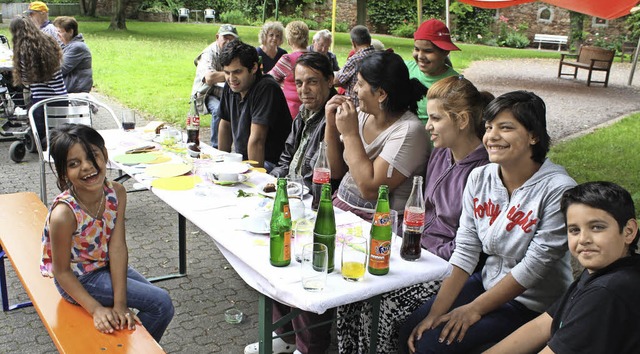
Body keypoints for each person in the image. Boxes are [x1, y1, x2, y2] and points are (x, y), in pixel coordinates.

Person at [399, 91, 577, 354]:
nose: (492, 136)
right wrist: (435, 313)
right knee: (412, 328)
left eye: (506, 128)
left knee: (432, 346)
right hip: (487, 281)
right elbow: (466, 249)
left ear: (533, 136)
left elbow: (534, 267)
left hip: (532, 303)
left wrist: (472, 310)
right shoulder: (480, 177)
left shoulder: (558, 190)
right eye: (489, 127)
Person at [336, 75, 494, 353]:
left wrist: (421, 250)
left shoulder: (483, 173)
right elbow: (421, 211)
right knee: (353, 290)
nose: (428, 126)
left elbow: (471, 246)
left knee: (384, 306)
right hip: (415, 250)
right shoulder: (441, 154)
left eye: (435, 119)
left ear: (462, 120)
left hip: (445, 266)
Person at [40, 124, 174, 343]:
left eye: (93, 156)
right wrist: (96, 310)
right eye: (74, 164)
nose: (86, 167)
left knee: (156, 302)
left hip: (105, 265)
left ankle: (127, 345)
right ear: (64, 172)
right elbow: (61, 271)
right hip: (79, 279)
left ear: (105, 154)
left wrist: (121, 304)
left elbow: (118, 247)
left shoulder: (116, 193)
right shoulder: (64, 214)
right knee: (161, 303)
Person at [485, 181, 640, 354]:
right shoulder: (605, 270)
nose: (583, 239)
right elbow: (541, 326)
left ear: (629, 232)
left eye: (597, 227)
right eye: (574, 230)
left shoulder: (607, 291)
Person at [325, 51, 429, 221]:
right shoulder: (360, 115)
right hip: (342, 207)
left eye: (360, 83)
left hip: (378, 224)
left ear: (381, 94)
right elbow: (334, 171)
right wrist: (330, 124)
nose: (355, 89)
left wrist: (350, 134)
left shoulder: (410, 131)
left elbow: (370, 189)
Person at [217, 40, 292, 172]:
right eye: (227, 73)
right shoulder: (231, 86)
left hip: (272, 163)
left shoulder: (267, 88)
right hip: (243, 160)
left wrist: (254, 180)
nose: (231, 78)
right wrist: (220, 163)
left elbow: (257, 140)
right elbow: (225, 124)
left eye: (237, 72)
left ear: (254, 68)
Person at [270, 52, 338, 189]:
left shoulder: (337, 116)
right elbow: (285, 160)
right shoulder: (303, 112)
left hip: (310, 197)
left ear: (330, 81)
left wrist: (291, 191)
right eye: (299, 83)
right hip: (291, 189)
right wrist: (272, 181)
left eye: (312, 82)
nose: (304, 90)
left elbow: (326, 177)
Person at [10, 16, 67, 140]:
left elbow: (25, 79)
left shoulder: (22, 50)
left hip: (40, 101)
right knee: (60, 132)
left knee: (41, 135)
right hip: (61, 96)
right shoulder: (49, 40)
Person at [192, 23, 239, 148]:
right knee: (219, 110)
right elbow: (209, 78)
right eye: (225, 38)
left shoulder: (234, 53)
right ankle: (216, 147)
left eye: (231, 38)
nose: (228, 41)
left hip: (225, 92)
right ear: (217, 37)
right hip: (205, 94)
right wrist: (235, 74)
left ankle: (235, 146)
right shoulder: (209, 53)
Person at [407, 19, 460, 124]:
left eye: (428, 51)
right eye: (417, 49)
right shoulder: (405, 68)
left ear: (445, 52)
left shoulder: (455, 84)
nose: (420, 56)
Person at [268, 21, 309, 120]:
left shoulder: (288, 59)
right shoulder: (315, 58)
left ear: (289, 40)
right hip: (312, 111)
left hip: (291, 113)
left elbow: (269, 79)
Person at [333, 25, 375, 107]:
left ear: (353, 43)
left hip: (356, 106)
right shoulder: (377, 55)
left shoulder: (355, 59)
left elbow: (337, 80)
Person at [53, 16, 93, 93]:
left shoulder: (77, 47)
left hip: (75, 92)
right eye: (56, 32)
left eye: (60, 32)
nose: (57, 35)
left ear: (71, 32)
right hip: (68, 90)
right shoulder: (65, 45)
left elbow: (60, 69)